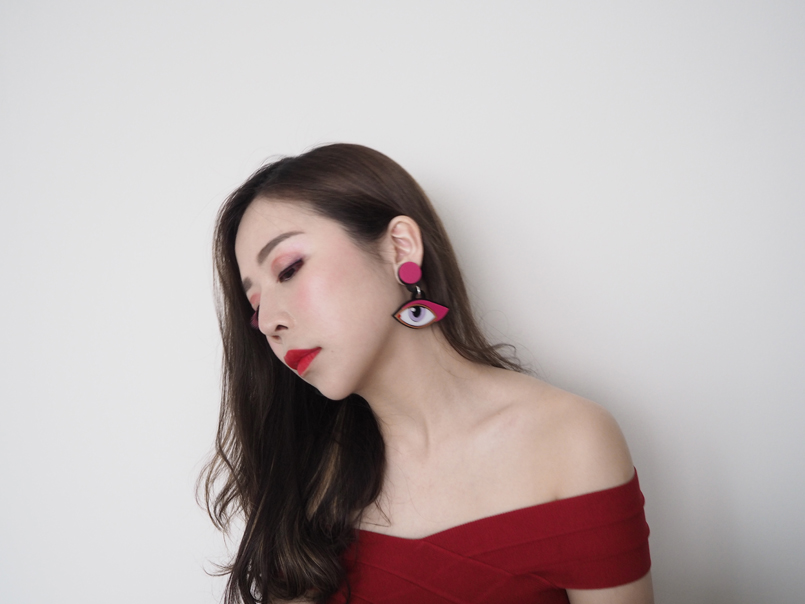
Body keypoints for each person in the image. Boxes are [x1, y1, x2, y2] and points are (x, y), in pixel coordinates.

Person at [200, 143, 653, 604]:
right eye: (255, 306)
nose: (269, 322)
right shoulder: (310, 475)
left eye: (289, 269)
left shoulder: (570, 440)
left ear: (400, 247)